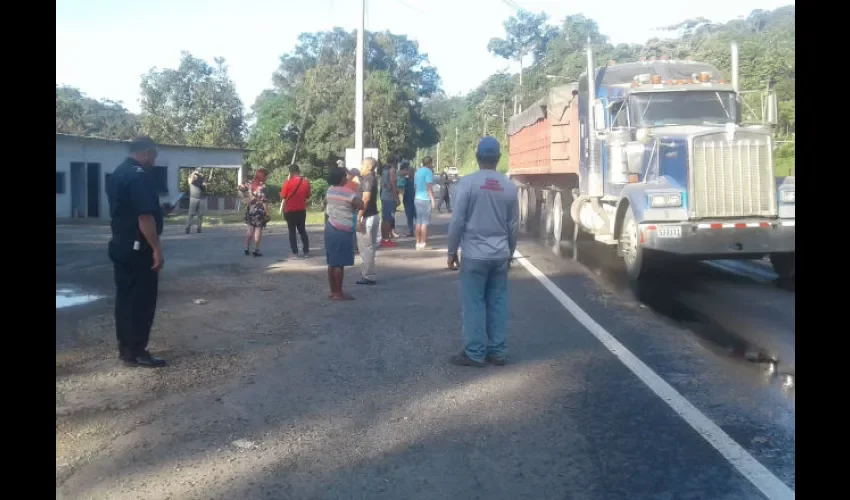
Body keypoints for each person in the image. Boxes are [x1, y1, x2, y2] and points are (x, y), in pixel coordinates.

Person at [446, 137, 518, 367]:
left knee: (474, 304)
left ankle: (475, 353)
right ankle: (498, 352)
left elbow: (457, 221)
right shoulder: (509, 186)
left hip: (474, 255)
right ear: (497, 158)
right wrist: (510, 252)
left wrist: (451, 251)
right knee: (497, 302)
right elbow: (513, 225)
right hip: (499, 255)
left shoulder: (467, 184)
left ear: (478, 158)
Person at [106, 136, 167, 368]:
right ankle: (138, 351)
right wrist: (156, 249)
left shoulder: (119, 172)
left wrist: (161, 212)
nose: (154, 160)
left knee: (125, 299)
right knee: (142, 300)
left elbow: (130, 210)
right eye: (154, 155)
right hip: (138, 248)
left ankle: (126, 349)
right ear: (146, 152)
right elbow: (143, 216)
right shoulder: (139, 176)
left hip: (121, 244)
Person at [325, 166, 364, 300]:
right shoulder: (347, 193)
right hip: (342, 229)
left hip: (330, 226)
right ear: (342, 178)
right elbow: (361, 205)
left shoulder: (330, 191)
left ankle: (332, 290)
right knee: (339, 263)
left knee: (332, 262)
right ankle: (338, 292)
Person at [355, 157, 380, 285]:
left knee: (366, 247)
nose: (361, 167)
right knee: (368, 247)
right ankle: (367, 272)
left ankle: (369, 275)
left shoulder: (368, 179)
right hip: (372, 215)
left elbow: (366, 199)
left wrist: (359, 217)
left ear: (369, 167)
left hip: (367, 216)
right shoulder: (370, 178)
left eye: (363, 165)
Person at [281, 164, 312, 258]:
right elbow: (308, 196)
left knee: (292, 232)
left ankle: (295, 253)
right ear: (299, 171)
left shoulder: (287, 183)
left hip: (290, 210)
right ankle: (306, 252)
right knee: (302, 231)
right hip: (301, 210)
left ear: (290, 172)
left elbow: (283, 196)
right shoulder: (306, 182)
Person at [238, 168, 269, 256]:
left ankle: (246, 248)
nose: (267, 178)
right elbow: (264, 201)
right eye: (266, 176)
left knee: (250, 229)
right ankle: (256, 249)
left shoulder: (250, 184)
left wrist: (245, 199)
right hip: (259, 211)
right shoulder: (262, 187)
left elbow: (239, 188)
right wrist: (266, 212)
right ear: (263, 176)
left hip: (251, 210)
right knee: (258, 230)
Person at [413, 156, 436, 250]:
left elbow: (415, 186)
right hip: (425, 199)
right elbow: (428, 187)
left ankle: (417, 242)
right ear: (430, 163)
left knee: (418, 221)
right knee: (425, 222)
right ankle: (423, 243)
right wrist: (433, 199)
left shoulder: (417, 172)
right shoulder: (428, 172)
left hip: (417, 198)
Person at [379, 155, 400, 248]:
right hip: (389, 197)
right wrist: (396, 197)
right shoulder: (392, 170)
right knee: (388, 219)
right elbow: (393, 183)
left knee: (384, 218)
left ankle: (384, 238)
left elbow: (382, 183)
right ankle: (386, 239)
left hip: (384, 195)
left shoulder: (384, 170)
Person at [185, 168, 207, 234]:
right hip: (193, 198)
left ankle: (199, 228)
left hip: (201, 198)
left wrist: (204, 184)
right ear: (195, 171)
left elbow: (204, 186)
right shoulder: (191, 177)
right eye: (197, 171)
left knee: (200, 214)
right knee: (191, 214)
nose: (198, 172)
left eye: (199, 171)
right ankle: (188, 227)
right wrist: (193, 174)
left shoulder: (202, 178)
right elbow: (190, 182)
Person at [400, 160, 416, 237]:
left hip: (414, 200)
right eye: (408, 171)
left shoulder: (415, 180)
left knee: (416, 215)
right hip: (407, 200)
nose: (409, 173)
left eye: (411, 172)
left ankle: (418, 230)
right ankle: (411, 230)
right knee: (409, 216)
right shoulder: (405, 180)